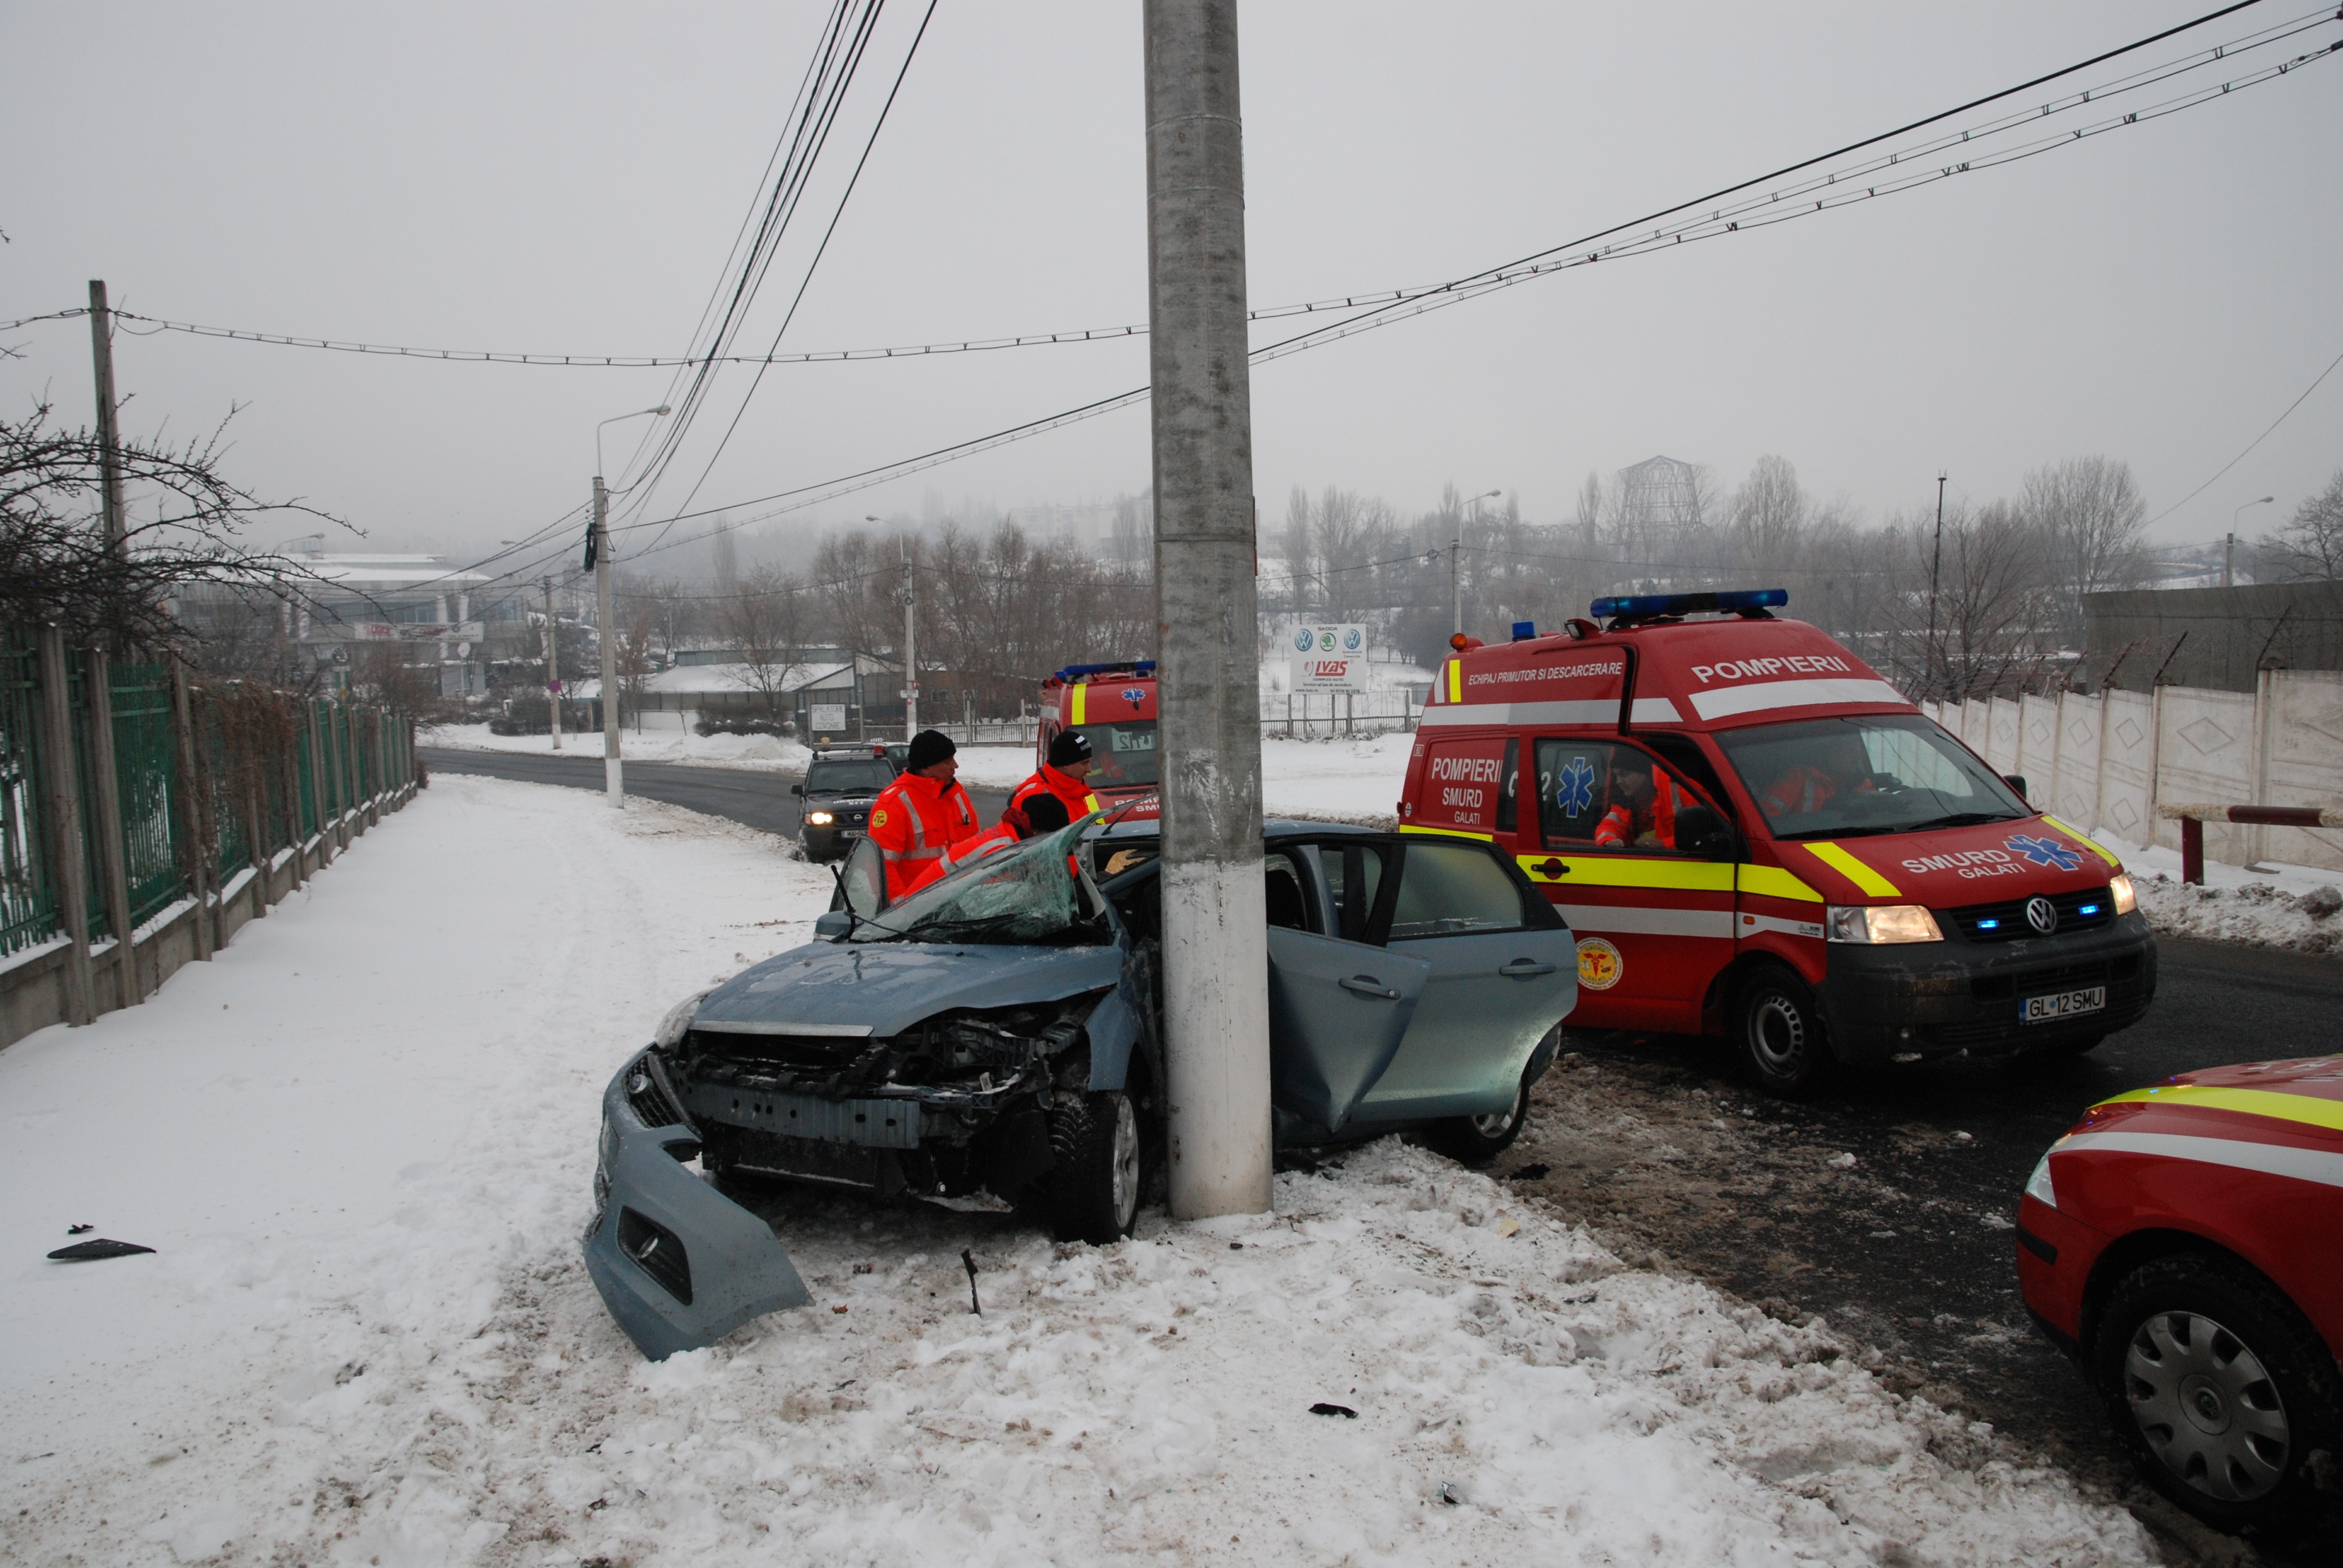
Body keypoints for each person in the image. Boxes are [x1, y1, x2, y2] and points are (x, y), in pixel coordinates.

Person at [867, 730, 995, 899]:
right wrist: (903, 911)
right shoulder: (894, 804)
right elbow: (881, 867)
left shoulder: (957, 795)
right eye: (947, 761)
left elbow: (976, 848)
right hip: (918, 910)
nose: (955, 766)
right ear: (926, 768)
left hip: (959, 902)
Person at [1002, 730, 1104, 840]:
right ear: (1066, 764)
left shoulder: (1074, 787)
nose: (1089, 769)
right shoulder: (1033, 796)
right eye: (1084, 763)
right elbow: (1026, 849)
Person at [1758, 733, 1875, 820]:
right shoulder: (1798, 778)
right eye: (1850, 752)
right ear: (1832, 753)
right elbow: (1766, 819)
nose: (1857, 759)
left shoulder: (1863, 784)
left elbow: (1879, 817)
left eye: (1858, 754)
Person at [1593, 751, 1688, 850]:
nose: (1619, 781)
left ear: (1645, 774)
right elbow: (1608, 827)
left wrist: (1664, 844)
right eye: (1617, 776)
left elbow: (1702, 835)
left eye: (1624, 774)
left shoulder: (1682, 791)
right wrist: (1609, 841)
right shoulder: (1625, 802)